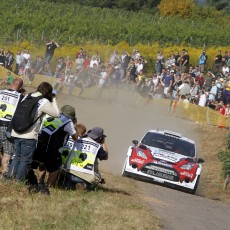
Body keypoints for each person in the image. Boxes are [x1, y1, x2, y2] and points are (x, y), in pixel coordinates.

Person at [7, 82, 60, 182]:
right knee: (25, 160)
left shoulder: (27, 96)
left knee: (16, 157)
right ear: (48, 92)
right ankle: (18, 182)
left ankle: (10, 178)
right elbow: (56, 114)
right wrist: (53, 99)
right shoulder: (43, 101)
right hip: (29, 135)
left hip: (16, 131)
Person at [32, 105, 78, 187]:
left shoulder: (53, 115)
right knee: (55, 168)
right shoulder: (68, 121)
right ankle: (49, 186)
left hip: (41, 142)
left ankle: (40, 183)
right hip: (53, 147)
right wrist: (75, 125)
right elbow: (75, 138)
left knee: (42, 164)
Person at [0, 78, 24, 178]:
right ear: (21, 87)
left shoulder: (1, 92)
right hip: (8, 127)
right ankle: (4, 175)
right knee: (7, 152)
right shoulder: (20, 97)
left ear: (12, 84)